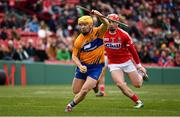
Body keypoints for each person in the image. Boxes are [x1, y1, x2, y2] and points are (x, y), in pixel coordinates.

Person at [65, 10, 109, 112]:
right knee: (76, 91)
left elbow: (106, 24)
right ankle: (95, 85)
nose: (82, 27)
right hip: (83, 66)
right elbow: (74, 56)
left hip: (96, 67)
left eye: (85, 24)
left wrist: (99, 15)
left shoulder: (98, 32)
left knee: (84, 90)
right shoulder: (78, 40)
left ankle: (71, 105)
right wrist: (80, 66)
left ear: (90, 25)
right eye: (80, 25)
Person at [104, 14, 148, 108]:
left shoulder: (124, 35)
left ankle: (141, 74)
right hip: (113, 64)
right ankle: (138, 102)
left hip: (127, 62)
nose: (111, 24)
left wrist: (139, 65)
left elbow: (133, 51)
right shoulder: (103, 33)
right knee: (120, 84)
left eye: (113, 22)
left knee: (137, 85)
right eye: (109, 22)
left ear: (118, 23)